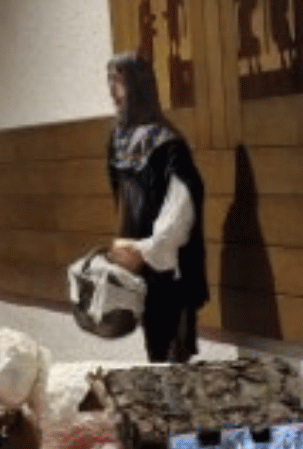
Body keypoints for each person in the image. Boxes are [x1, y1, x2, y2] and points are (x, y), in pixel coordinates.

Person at [103, 51, 208, 363]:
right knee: (154, 351)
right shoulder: (118, 141)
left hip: (171, 270)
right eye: (109, 82)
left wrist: (145, 249)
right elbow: (124, 202)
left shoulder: (169, 145)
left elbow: (181, 209)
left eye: (120, 82)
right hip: (142, 270)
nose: (113, 92)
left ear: (138, 86)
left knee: (173, 358)